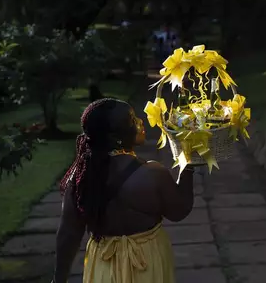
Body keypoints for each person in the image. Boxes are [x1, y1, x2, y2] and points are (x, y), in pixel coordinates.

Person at [51, 98, 199, 283]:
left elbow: (69, 233)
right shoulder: (152, 174)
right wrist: (188, 164)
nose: (140, 121)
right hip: (147, 263)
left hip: (103, 266)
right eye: (132, 120)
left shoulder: (80, 178)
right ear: (115, 137)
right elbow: (179, 211)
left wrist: (58, 279)